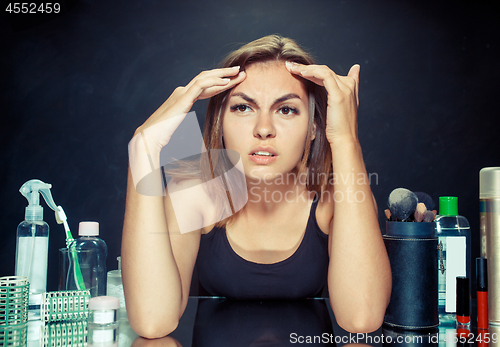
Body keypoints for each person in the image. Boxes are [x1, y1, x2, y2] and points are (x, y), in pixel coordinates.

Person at [122, 35, 391, 338]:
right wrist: (143, 147)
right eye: (243, 108)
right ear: (220, 120)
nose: (264, 129)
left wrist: (345, 139)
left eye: (286, 110)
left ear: (314, 127)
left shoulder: (334, 196)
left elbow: (362, 319)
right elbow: (152, 321)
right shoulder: (194, 186)